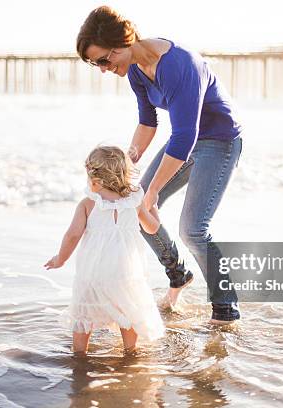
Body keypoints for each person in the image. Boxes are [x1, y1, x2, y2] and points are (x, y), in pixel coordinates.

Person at [76, 6, 243, 324]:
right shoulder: (136, 69)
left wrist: (151, 190)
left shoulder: (179, 65)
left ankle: (226, 308)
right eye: (96, 64)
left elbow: (184, 135)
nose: (102, 69)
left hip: (219, 140)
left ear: (121, 43)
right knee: (135, 206)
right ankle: (178, 272)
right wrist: (126, 162)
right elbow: (147, 122)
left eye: (103, 60)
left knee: (193, 230)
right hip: (186, 142)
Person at [44, 146, 165, 354]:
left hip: (94, 272)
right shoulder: (134, 202)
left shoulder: (88, 203)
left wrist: (60, 259)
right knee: (127, 310)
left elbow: (72, 235)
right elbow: (152, 228)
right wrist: (153, 207)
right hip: (126, 272)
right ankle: (130, 351)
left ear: (94, 177)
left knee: (84, 312)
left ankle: (80, 353)